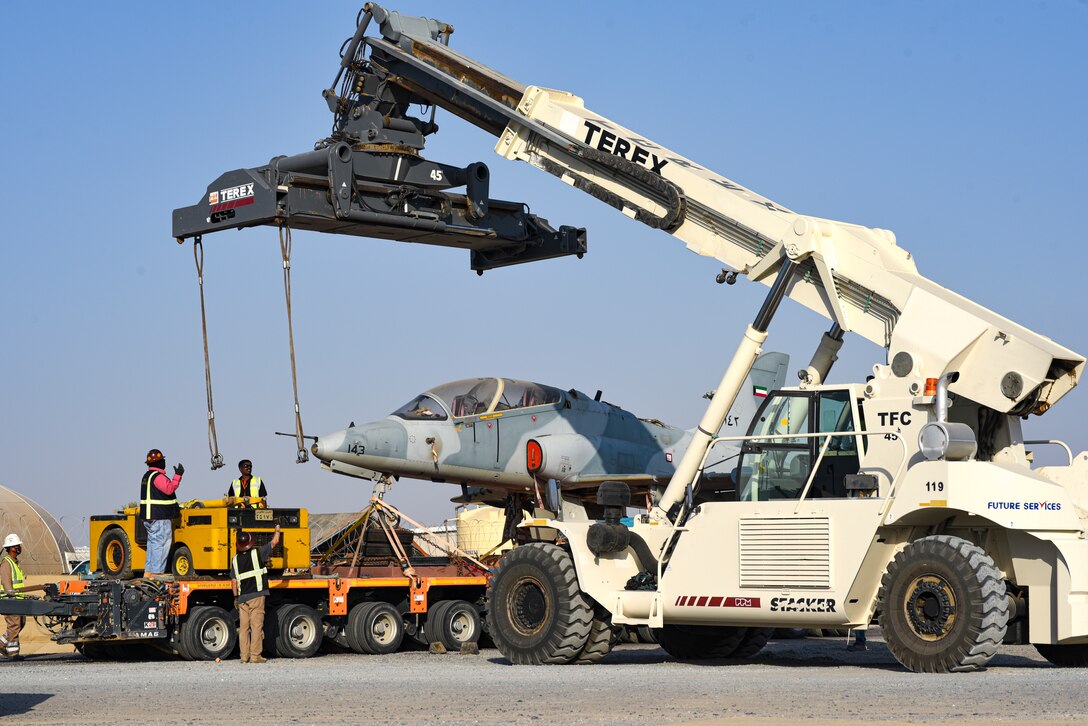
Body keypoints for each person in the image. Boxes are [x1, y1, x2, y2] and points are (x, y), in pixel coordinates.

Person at [232, 525, 281, 664]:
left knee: (243, 628)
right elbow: (275, 541)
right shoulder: (257, 553)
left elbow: (233, 581)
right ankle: (255, 656)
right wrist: (276, 529)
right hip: (256, 596)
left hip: (242, 598)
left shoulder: (235, 560)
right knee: (256, 626)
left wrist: (236, 597)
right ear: (250, 542)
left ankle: (244, 656)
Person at [140, 448, 183, 577]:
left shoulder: (147, 477)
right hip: (160, 517)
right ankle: (157, 573)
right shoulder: (158, 477)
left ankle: (149, 572)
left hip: (149, 517)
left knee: (153, 544)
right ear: (159, 463)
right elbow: (169, 489)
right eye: (163, 460)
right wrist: (178, 476)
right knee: (161, 543)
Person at [0, 533, 26, 660]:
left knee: (21, 623)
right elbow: (6, 582)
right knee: (14, 625)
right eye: (17, 546)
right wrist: (11, 597)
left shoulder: (15, 563)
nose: (19, 548)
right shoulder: (6, 563)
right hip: (10, 600)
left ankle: (1, 644)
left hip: (18, 600)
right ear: (11, 548)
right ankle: (13, 653)